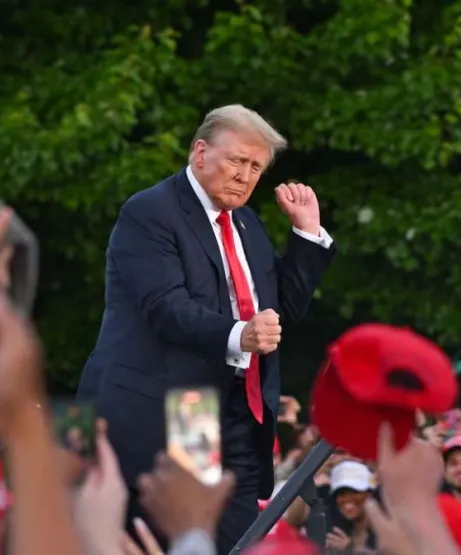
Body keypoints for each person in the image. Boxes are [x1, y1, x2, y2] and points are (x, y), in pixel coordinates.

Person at [77, 104, 336, 554]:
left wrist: (307, 234)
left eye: (256, 167)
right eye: (237, 160)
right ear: (200, 153)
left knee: (237, 542)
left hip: (235, 415)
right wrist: (240, 335)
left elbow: (281, 312)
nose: (245, 176)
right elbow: (165, 308)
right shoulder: (150, 211)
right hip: (169, 411)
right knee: (167, 541)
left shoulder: (246, 222)